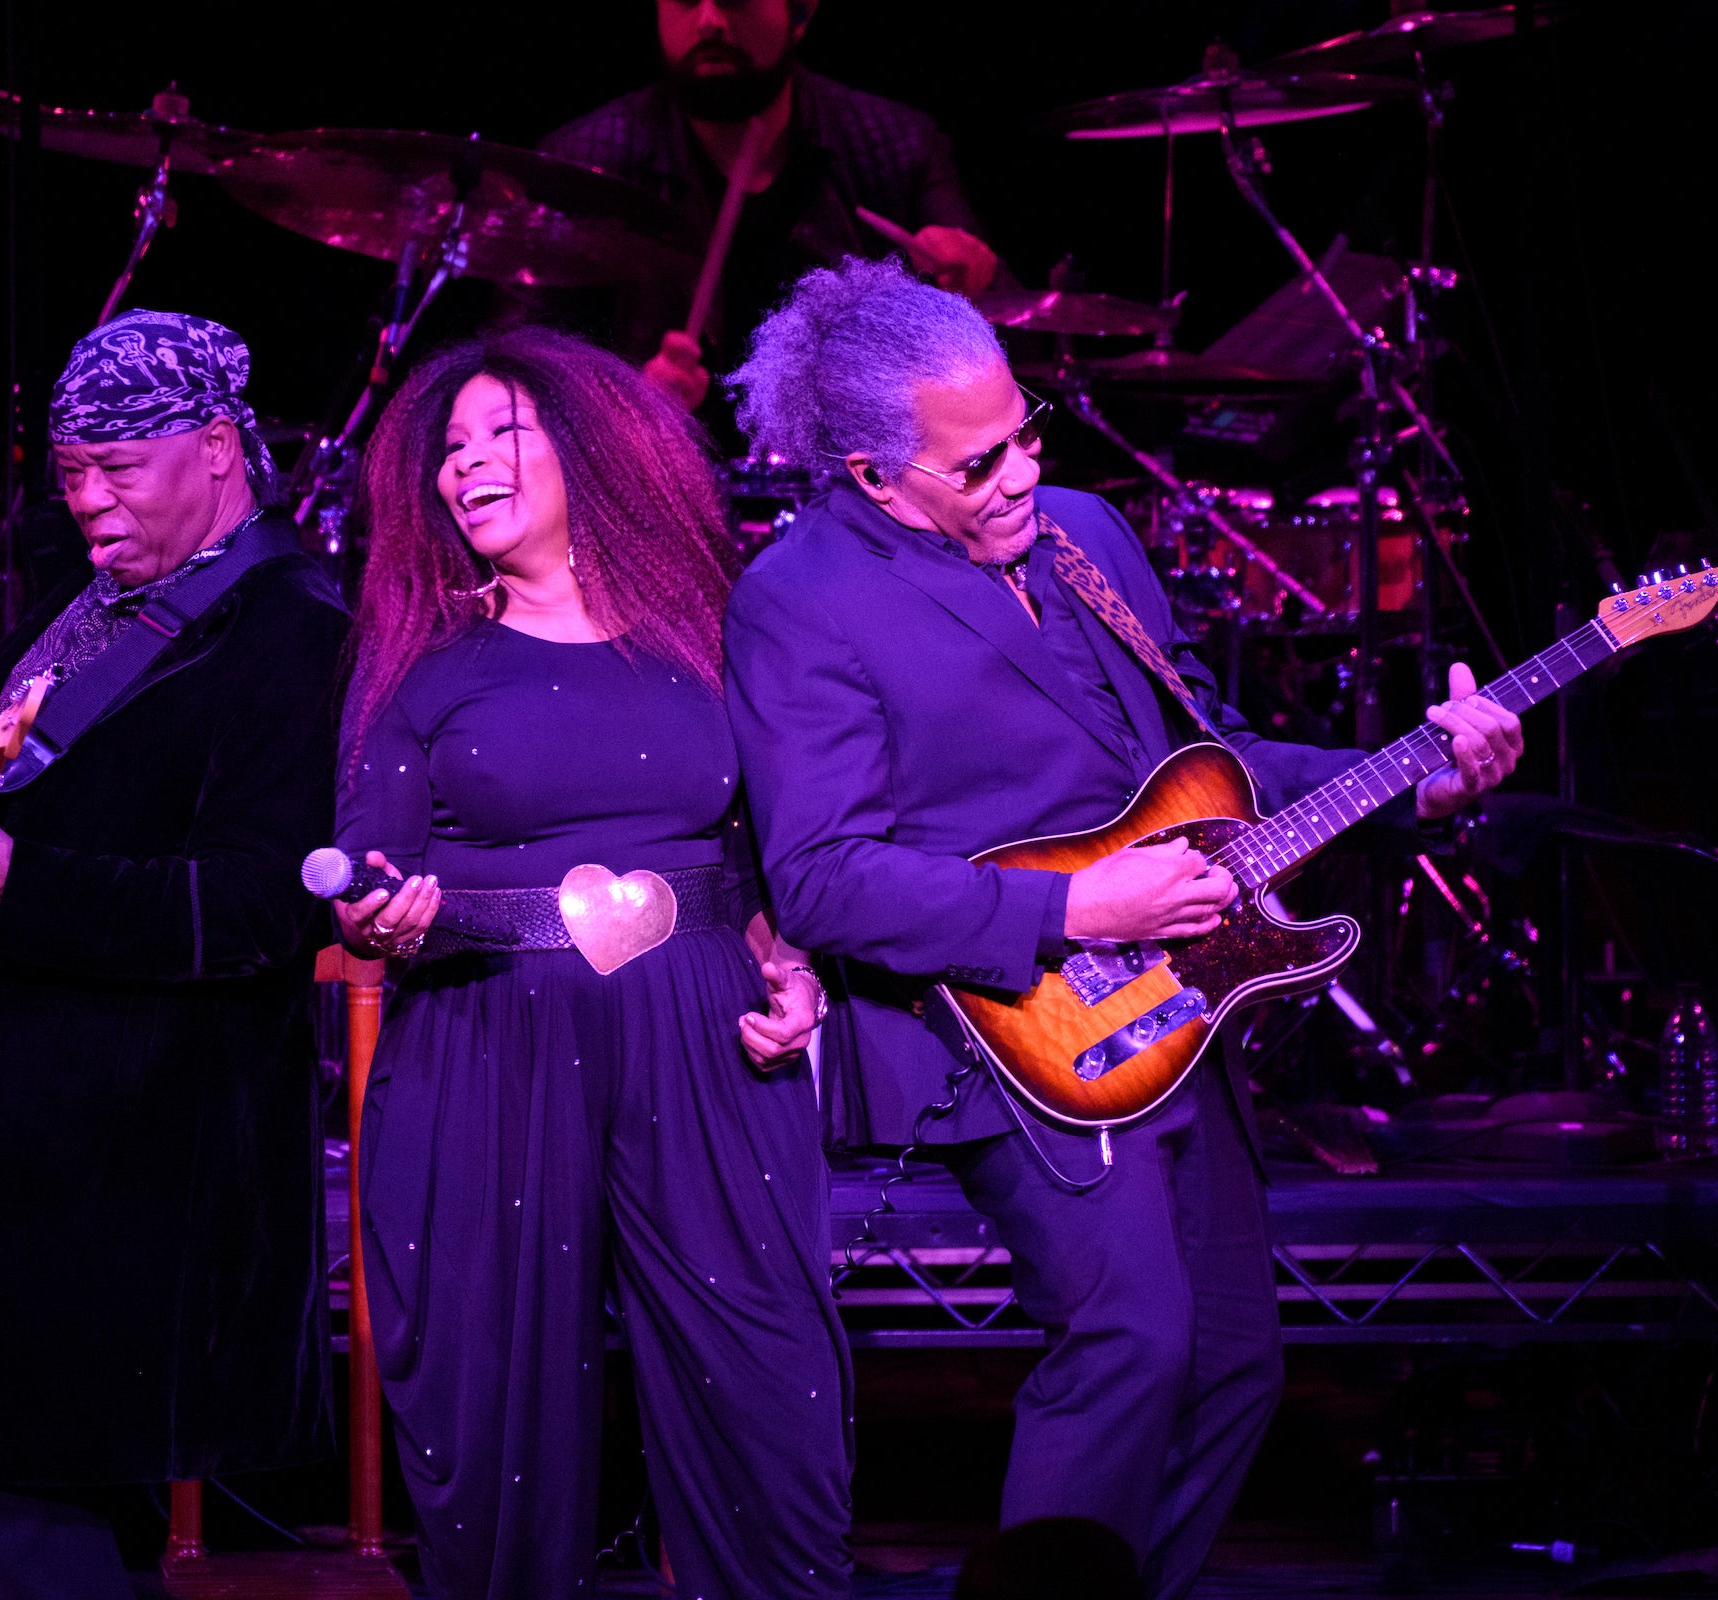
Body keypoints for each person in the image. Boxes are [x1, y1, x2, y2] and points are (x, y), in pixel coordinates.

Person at [720, 259, 1525, 1596]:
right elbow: (820, 877)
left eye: (1024, 432)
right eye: (975, 466)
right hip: (995, 1028)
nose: (1021, 475)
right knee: (1130, 1343)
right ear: (871, 474)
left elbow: (1215, 767)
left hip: (1172, 1011)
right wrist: (1078, 904)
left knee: (1231, 1367)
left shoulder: (1090, 533)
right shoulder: (799, 597)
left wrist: (1417, 780)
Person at [0, 310, 348, 1599]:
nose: (86, 499)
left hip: (135, 1140)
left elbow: (268, 908)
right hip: (11, 1121)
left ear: (218, 448)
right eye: (70, 472)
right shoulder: (88, 608)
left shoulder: (291, 629)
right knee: (39, 1498)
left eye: (116, 467)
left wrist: (21, 887)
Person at [329, 324, 851, 1600]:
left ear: (594, 448)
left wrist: (796, 966)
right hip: (484, 1048)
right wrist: (380, 917)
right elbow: (366, 869)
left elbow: (777, 851)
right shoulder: (421, 664)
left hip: (709, 1045)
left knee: (767, 1400)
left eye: (500, 433)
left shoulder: (717, 635)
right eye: (448, 449)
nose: (465, 466)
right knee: (492, 1419)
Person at [538, 0, 999, 417]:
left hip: (860, 489)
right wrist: (627, 404)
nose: (709, 22)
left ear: (799, 13)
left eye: (736, 0)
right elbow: (523, 377)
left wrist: (974, 284)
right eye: (683, 0)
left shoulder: (896, 145)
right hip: (662, 491)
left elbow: (1014, 338)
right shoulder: (585, 162)